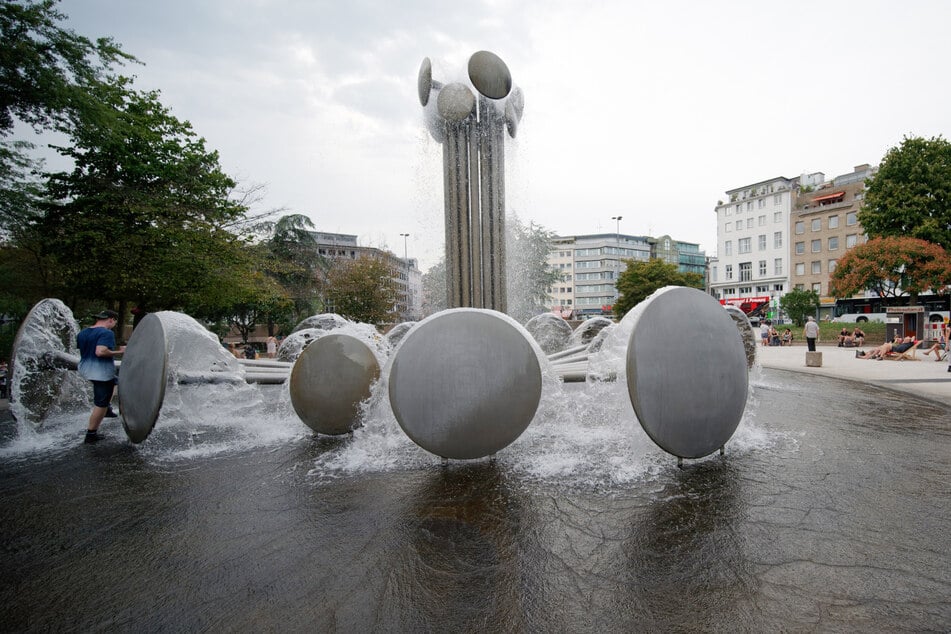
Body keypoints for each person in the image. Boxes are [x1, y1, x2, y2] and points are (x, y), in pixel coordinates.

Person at [77, 309, 125, 443]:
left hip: (86, 369)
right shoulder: (106, 333)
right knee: (100, 403)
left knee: (115, 382)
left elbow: (87, 351)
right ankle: (91, 434)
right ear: (111, 319)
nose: (114, 325)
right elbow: (100, 352)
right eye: (114, 322)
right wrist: (120, 351)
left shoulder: (83, 332)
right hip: (101, 373)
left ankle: (108, 409)